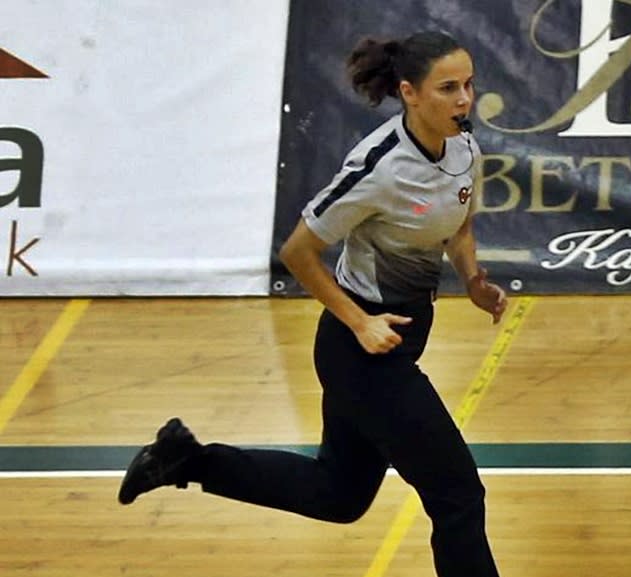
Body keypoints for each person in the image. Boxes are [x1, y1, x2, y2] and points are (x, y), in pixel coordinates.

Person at [118, 30, 507, 577]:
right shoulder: (377, 167)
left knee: (340, 495)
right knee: (458, 495)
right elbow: (298, 252)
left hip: (399, 338)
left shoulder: (463, 146)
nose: (465, 100)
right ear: (410, 93)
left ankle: (186, 459)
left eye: (468, 85)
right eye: (448, 88)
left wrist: (472, 280)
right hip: (363, 353)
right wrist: (360, 322)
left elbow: (459, 227)